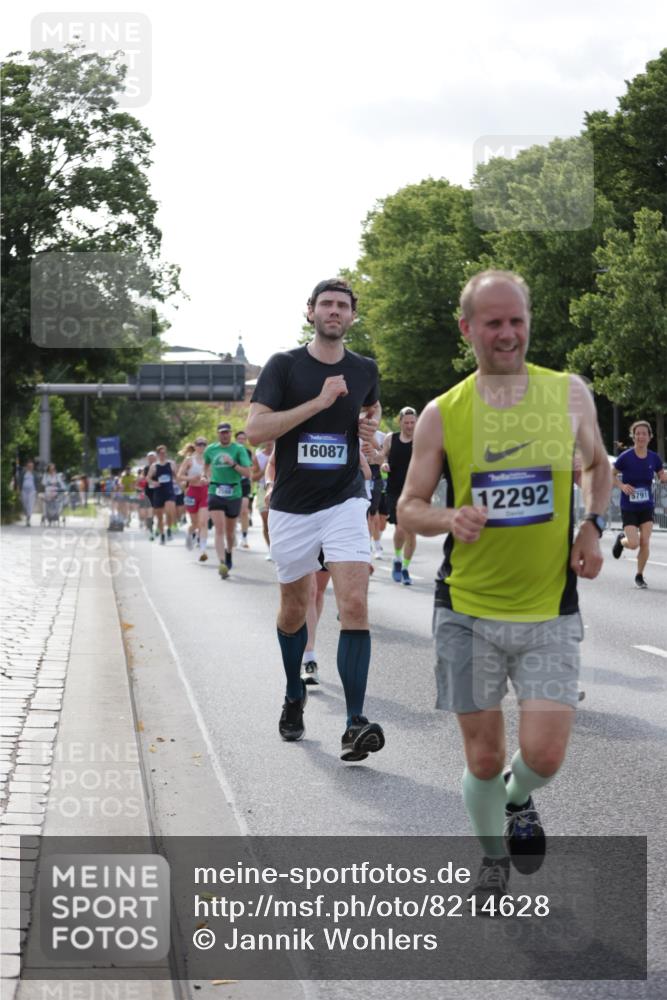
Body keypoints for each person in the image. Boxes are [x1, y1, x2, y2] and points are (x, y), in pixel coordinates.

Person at [398, 270, 611, 904]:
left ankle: (519, 802)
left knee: (543, 757)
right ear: (467, 330)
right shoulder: (444, 413)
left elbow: (597, 466)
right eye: (492, 322)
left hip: (548, 609)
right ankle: (492, 860)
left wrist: (594, 527)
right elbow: (409, 506)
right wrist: (447, 517)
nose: (507, 333)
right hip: (466, 611)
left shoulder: (566, 395)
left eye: (516, 319)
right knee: (484, 758)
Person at [246, 277, 384, 762]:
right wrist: (318, 404)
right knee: (293, 609)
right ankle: (292, 693)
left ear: (352, 316)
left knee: (355, 604)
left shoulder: (364, 368)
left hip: (345, 499)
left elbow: (371, 409)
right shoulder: (285, 366)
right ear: (310, 312)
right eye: (325, 303)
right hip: (292, 506)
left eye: (342, 305)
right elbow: (255, 429)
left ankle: (354, 723)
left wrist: (369, 430)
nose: (333, 311)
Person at [612, 420, 666, 588]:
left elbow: (662, 477)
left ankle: (639, 575)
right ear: (633, 436)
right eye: (638, 433)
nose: (641, 436)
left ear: (649, 437)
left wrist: (664, 479)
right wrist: (621, 486)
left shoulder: (654, 458)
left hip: (646, 506)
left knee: (645, 542)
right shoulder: (625, 457)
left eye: (644, 433)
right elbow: (611, 474)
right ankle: (622, 539)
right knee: (633, 543)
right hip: (629, 507)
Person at [203, 423, 252, 578]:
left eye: (227, 433)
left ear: (230, 434)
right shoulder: (210, 449)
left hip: (234, 492)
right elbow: (206, 464)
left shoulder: (239, 449)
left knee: (230, 533)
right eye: (222, 433)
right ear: (218, 434)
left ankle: (229, 552)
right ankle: (222, 562)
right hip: (215, 490)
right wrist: (206, 476)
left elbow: (247, 473)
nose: (224, 435)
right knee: (219, 529)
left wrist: (233, 464)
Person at [380, 407, 418, 584]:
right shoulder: (391, 439)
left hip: (415, 491)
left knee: (411, 531)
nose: (410, 426)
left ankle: (405, 568)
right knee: (401, 528)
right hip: (394, 490)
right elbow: (383, 456)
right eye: (407, 422)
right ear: (400, 422)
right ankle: (397, 558)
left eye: (413, 422)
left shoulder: (421, 439)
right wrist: (384, 464)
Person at [179, 437, 210, 562]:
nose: (201, 446)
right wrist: (190, 479)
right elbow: (179, 475)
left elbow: (212, 476)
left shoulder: (209, 460)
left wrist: (207, 480)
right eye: (199, 444)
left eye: (204, 444)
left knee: (203, 523)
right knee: (195, 523)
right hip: (192, 492)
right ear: (195, 446)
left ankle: (203, 550)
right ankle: (190, 532)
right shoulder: (189, 460)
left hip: (205, 492)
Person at [148, 446, 177, 544]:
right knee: (159, 517)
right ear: (158, 455)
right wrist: (154, 482)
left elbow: (177, 475)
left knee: (169, 511)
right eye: (160, 453)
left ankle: (169, 529)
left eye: (164, 453)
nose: (163, 455)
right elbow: (148, 478)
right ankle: (162, 535)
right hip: (159, 492)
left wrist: (179, 483)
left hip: (169, 491)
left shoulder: (171, 464)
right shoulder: (154, 466)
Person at [252, 440, 275, 559]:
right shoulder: (258, 456)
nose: (270, 441)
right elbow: (253, 477)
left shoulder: (284, 449)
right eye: (268, 438)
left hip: (281, 489)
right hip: (263, 489)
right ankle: (270, 549)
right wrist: (265, 468)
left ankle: (278, 548)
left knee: (276, 523)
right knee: (266, 522)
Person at [235, 429, 254, 548]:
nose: (242, 441)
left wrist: (251, 484)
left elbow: (250, 469)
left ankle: (244, 537)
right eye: (239, 439)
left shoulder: (248, 452)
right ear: (235, 440)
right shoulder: (231, 451)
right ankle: (232, 536)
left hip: (244, 483)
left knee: (244, 511)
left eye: (244, 439)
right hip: (231, 484)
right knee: (233, 512)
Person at [18, 460, 39, 526]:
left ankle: (28, 519)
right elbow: (19, 481)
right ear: (27, 466)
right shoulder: (23, 473)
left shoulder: (35, 473)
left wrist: (37, 491)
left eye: (31, 466)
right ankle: (27, 515)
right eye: (29, 466)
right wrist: (19, 489)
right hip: (24, 490)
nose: (30, 467)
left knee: (30, 505)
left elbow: (37, 482)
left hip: (32, 491)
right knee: (24, 504)